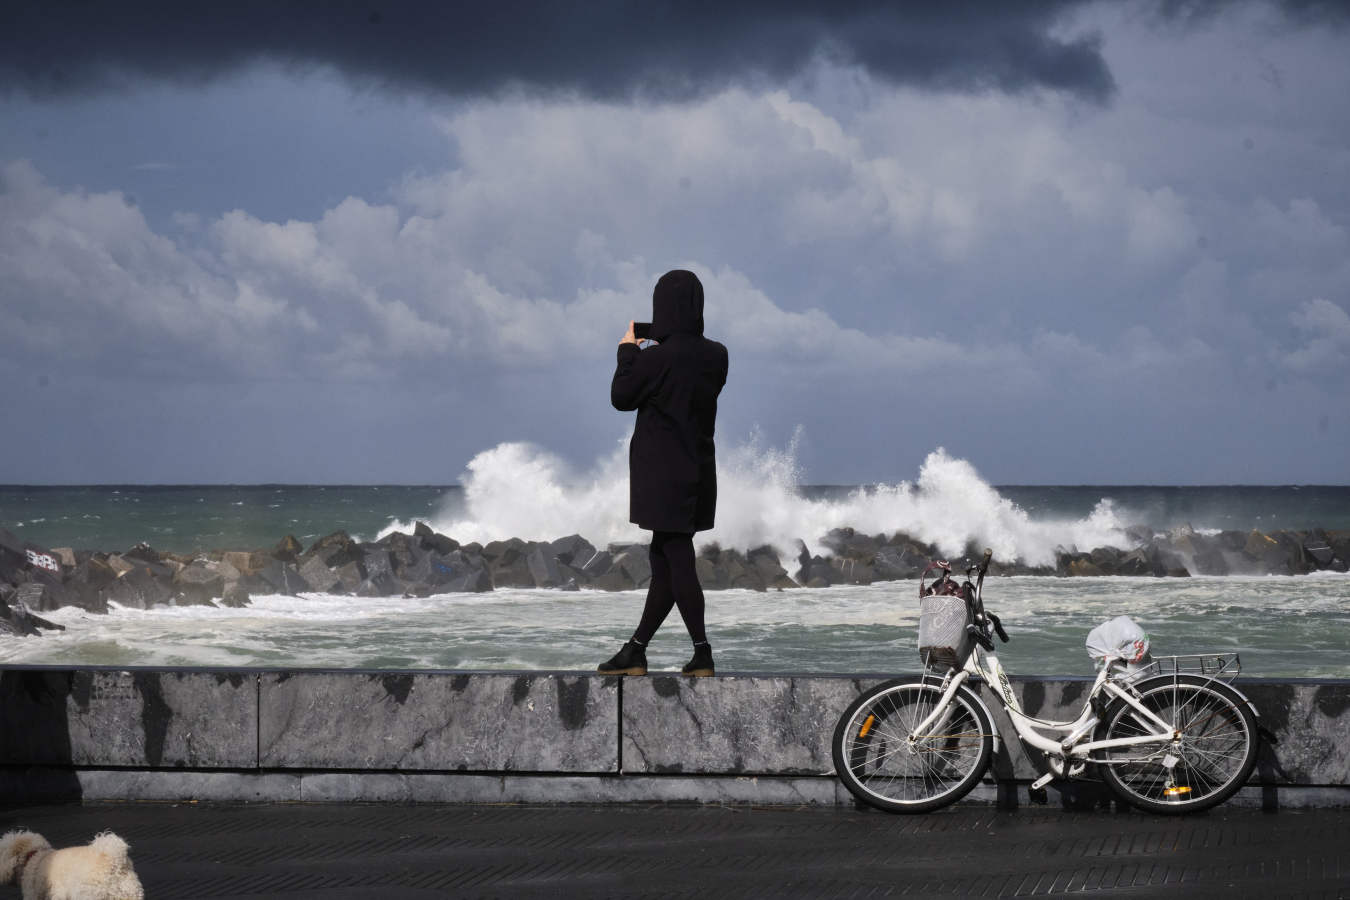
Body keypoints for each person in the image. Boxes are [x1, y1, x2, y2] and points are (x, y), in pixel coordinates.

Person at [598, 269, 728, 677]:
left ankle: (702, 652)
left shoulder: (654, 358)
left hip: (662, 474)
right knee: (666, 562)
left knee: (676, 560)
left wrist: (627, 350)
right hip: (699, 470)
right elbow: (685, 367)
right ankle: (636, 649)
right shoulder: (717, 355)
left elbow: (621, 397)